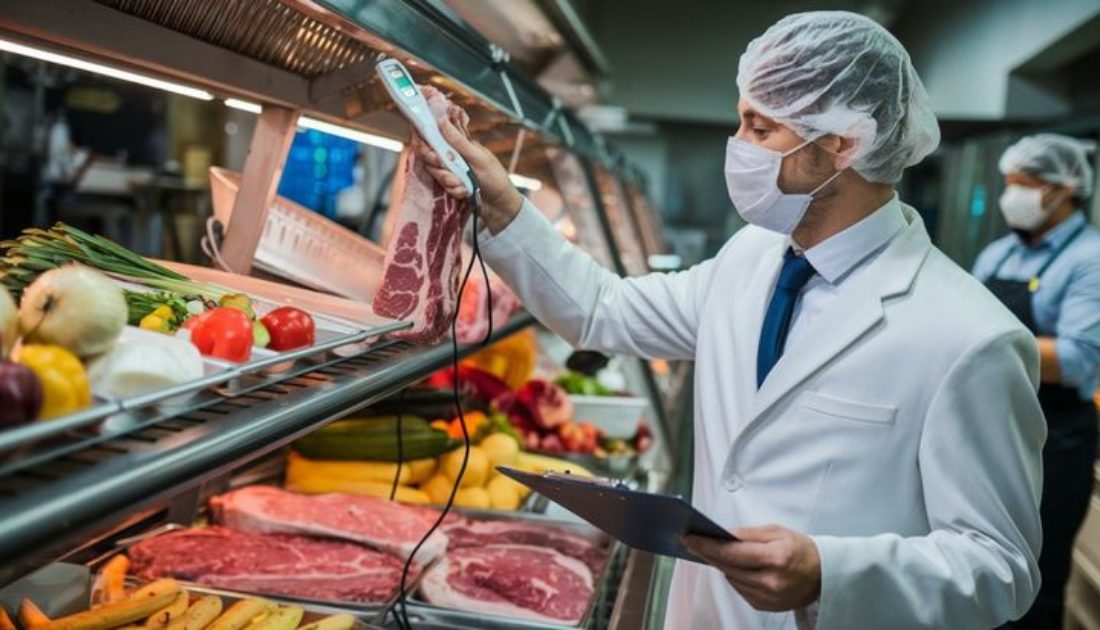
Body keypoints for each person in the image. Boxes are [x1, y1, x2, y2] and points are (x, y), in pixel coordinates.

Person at [415, 11, 1044, 629]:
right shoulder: (751, 256)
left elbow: (1001, 567)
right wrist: (501, 204)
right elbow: (604, 310)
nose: (737, 145)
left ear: (843, 144)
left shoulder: (970, 337)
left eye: (759, 127)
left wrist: (831, 570)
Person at [973, 133, 1100, 629]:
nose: (1013, 197)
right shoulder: (998, 256)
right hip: (992, 423)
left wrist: (985, 342)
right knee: (981, 562)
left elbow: (1078, 358)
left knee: (1035, 578)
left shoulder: (1089, 258)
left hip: (1055, 436)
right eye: (1009, 184)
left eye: (1025, 185)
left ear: (1064, 188)